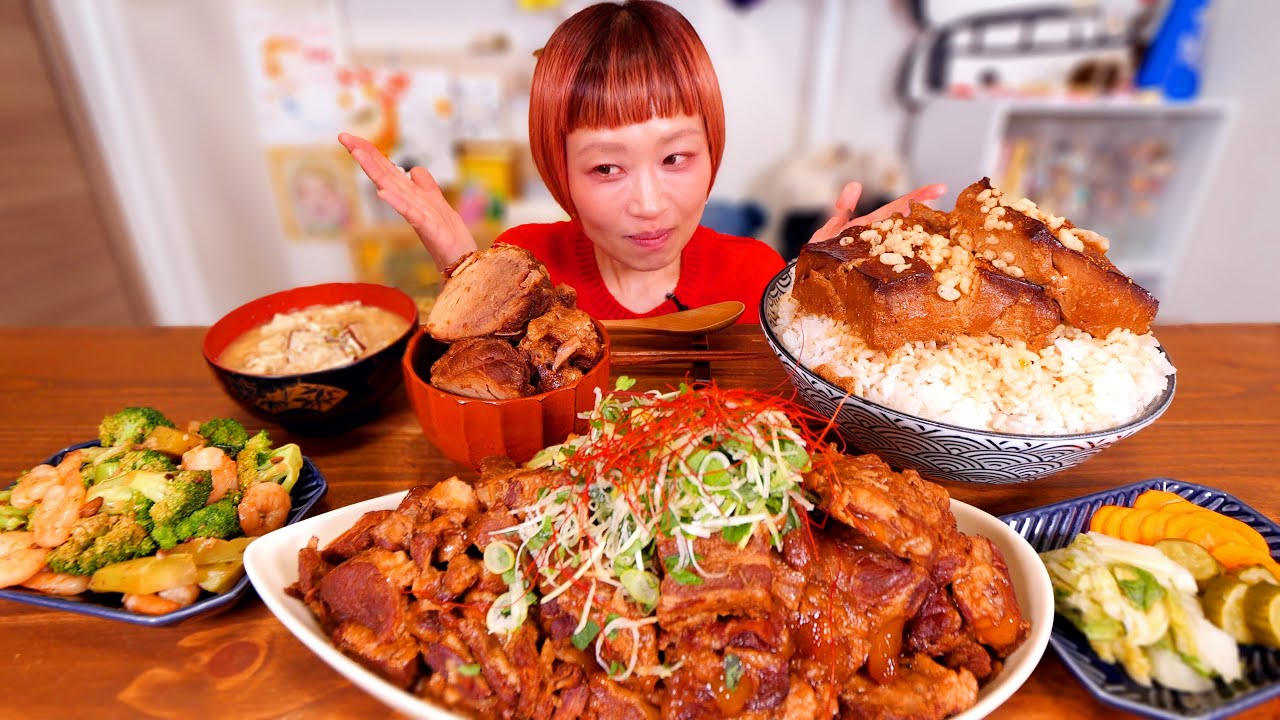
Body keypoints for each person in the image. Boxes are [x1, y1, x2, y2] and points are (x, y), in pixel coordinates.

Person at [340, 0, 942, 323]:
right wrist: (464, 268)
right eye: (607, 168)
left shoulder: (755, 276)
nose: (650, 203)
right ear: (561, 174)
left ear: (713, 154)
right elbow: (488, 401)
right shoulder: (526, 266)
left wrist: (823, 293)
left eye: (676, 157)